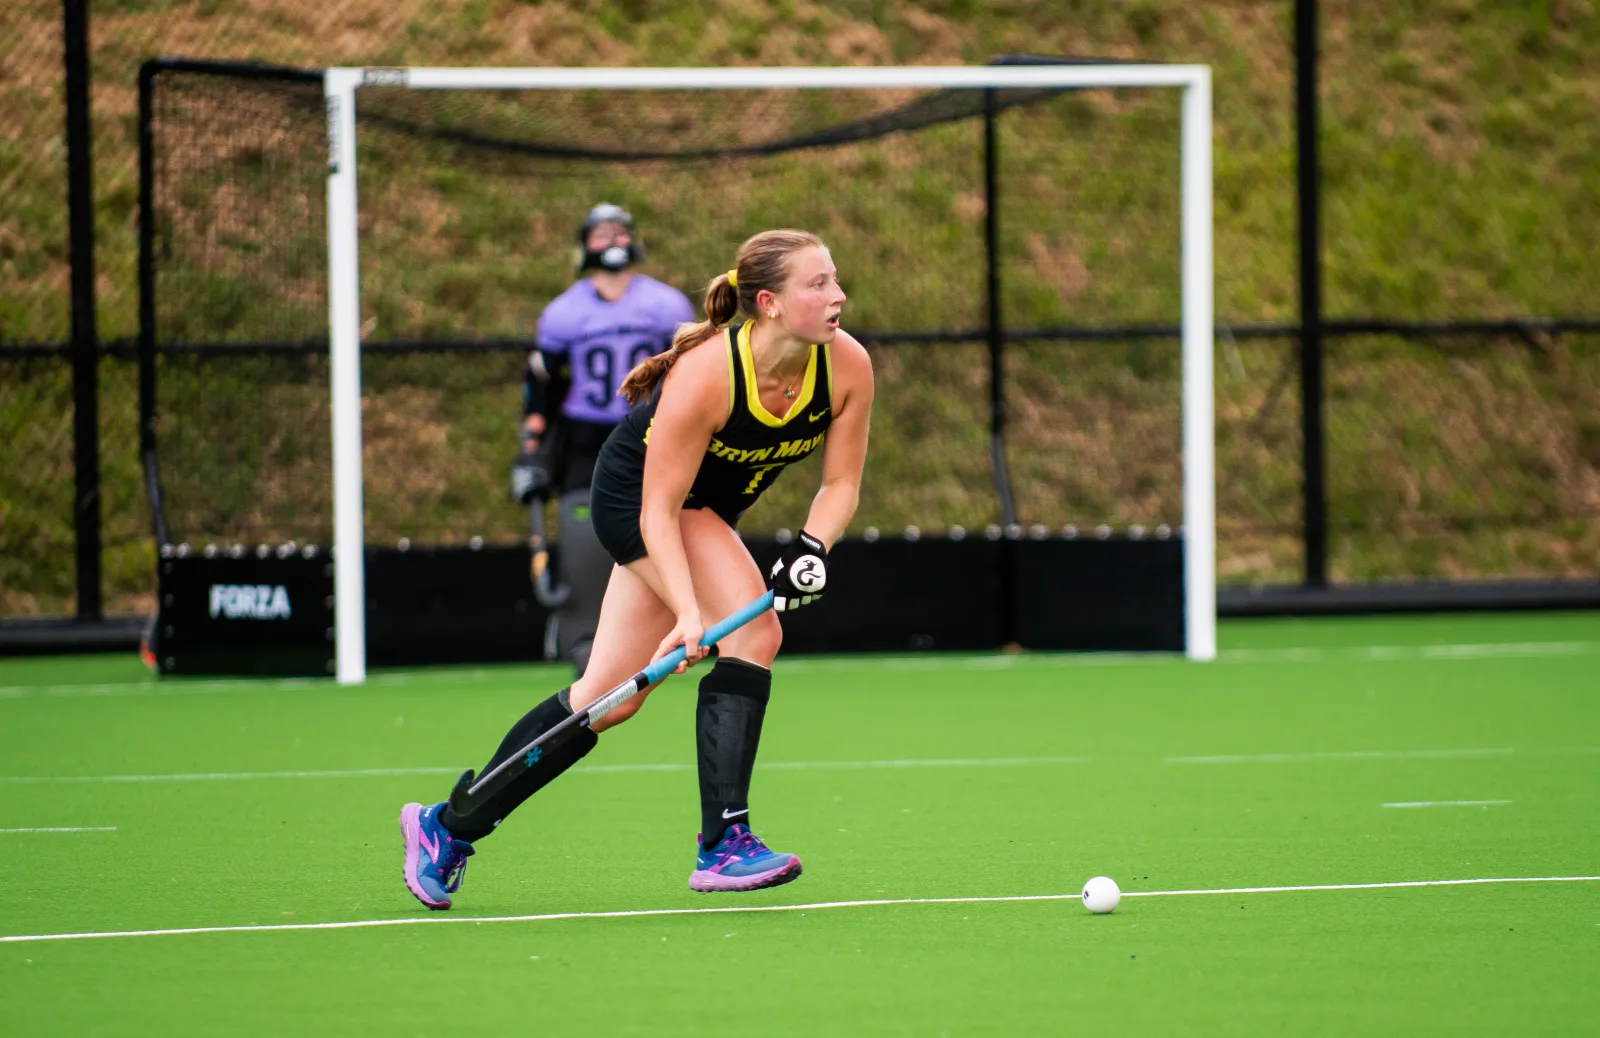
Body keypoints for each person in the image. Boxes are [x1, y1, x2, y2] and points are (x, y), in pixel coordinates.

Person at [400, 228, 872, 910]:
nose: (838, 295)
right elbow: (659, 510)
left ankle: (447, 827)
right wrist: (687, 615)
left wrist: (812, 548)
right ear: (768, 302)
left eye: (835, 279)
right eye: (819, 284)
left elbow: (841, 485)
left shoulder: (847, 366)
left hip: (702, 510)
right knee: (756, 635)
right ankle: (724, 844)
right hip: (639, 502)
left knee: (609, 699)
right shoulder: (708, 374)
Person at [513, 203, 695, 675]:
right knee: (584, 529)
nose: (612, 243)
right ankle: (587, 637)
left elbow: (688, 367)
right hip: (586, 433)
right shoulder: (563, 313)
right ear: (584, 246)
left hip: (650, 427)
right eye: (601, 235)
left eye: (619, 233)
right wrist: (534, 433)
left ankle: (676, 624)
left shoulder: (666, 305)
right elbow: (544, 383)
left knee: (668, 516)